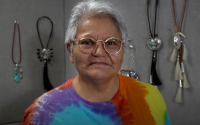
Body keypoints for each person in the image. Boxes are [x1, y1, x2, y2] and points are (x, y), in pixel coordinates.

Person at [22, 0, 172, 125]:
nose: (99, 52)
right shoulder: (41, 113)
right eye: (87, 42)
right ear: (70, 51)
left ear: (122, 48)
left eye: (111, 42)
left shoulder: (150, 97)